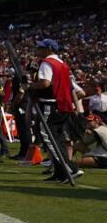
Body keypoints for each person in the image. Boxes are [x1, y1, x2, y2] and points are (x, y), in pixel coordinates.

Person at [31, 37, 84, 181]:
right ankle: (60, 173)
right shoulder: (63, 64)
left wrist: (30, 85)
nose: (38, 50)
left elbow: (45, 83)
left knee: (47, 136)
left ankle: (69, 168)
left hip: (51, 104)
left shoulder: (47, 63)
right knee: (59, 139)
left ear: (49, 49)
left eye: (41, 48)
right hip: (63, 105)